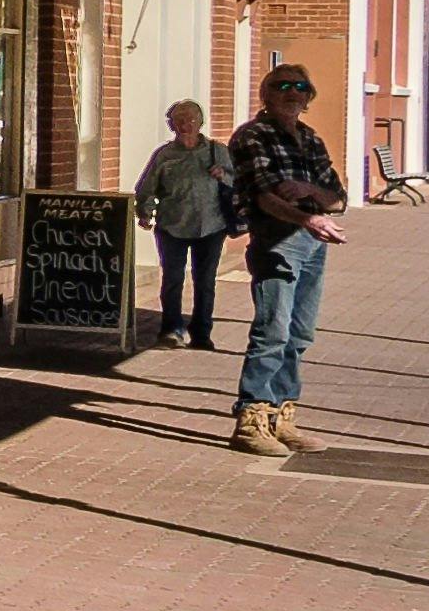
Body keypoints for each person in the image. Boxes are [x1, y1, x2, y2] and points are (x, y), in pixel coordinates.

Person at [227, 61, 355, 454]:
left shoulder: (310, 139)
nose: (292, 93)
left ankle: (282, 416)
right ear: (266, 94)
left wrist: (305, 191)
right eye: (282, 86)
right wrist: (309, 214)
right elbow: (265, 196)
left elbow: (338, 197)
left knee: (299, 334)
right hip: (275, 241)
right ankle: (251, 419)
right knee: (272, 331)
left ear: (308, 97)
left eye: (300, 87)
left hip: (313, 245)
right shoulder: (254, 135)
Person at [136, 99, 236, 347]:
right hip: (172, 225)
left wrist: (223, 175)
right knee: (172, 279)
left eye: (191, 119)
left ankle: (202, 333)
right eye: (179, 120)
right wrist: (145, 212)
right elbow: (147, 187)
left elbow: (240, 183)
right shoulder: (165, 155)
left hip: (211, 225)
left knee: (205, 281)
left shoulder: (217, 151)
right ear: (171, 125)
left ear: (200, 122)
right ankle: (171, 329)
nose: (185, 125)